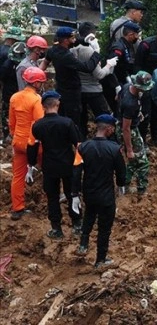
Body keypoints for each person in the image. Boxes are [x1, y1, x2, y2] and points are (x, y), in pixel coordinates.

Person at [27, 91, 83, 238]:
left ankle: (56, 229)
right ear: (57, 104)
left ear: (43, 107)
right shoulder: (67, 123)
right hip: (67, 164)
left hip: (49, 166)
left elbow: (32, 147)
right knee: (72, 194)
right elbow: (78, 144)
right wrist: (81, 164)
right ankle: (77, 224)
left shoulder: (38, 126)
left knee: (52, 197)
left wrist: (31, 165)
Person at [76, 114, 126, 270]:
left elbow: (76, 172)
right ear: (109, 129)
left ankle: (83, 244)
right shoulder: (114, 149)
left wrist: (74, 193)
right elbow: (121, 173)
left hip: (89, 193)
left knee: (89, 216)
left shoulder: (83, 147)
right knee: (104, 228)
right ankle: (100, 260)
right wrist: (121, 186)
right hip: (106, 196)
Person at [43, 27, 103, 131]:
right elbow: (87, 67)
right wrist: (96, 52)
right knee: (74, 121)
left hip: (60, 89)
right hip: (72, 94)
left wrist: (84, 40)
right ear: (66, 41)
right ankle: (76, 142)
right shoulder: (66, 56)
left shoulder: (53, 50)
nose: (74, 40)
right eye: (72, 38)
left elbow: (45, 62)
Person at [8, 67, 46, 220]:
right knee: (49, 170)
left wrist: (15, 137)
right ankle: (52, 199)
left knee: (17, 176)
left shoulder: (14, 97)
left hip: (18, 141)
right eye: (41, 82)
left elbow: (12, 123)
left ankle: (17, 208)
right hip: (34, 143)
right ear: (36, 83)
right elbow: (40, 123)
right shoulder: (36, 100)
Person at [72, 22, 116, 138]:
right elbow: (99, 75)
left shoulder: (73, 50)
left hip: (79, 90)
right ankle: (110, 142)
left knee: (81, 119)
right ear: (92, 35)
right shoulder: (90, 51)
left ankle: (81, 142)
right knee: (105, 117)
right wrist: (109, 65)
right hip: (93, 90)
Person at [116, 71, 154, 195]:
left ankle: (124, 186)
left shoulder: (126, 87)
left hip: (124, 125)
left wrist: (137, 115)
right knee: (142, 163)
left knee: (132, 162)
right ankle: (142, 190)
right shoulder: (130, 104)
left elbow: (116, 98)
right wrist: (130, 149)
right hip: (129, 131)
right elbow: (126, 128)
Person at [1, 42, 24, 141]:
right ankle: (7, 134)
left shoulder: (21, 64)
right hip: (10, 93)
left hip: (16, 92)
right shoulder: (7, 65)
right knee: (7, 114)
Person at [110, 21, 141, 87]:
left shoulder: (127, 45)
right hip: (118, 83)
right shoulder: (119, 48)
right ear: (130, 35)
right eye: (137, 35)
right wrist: (117, 86)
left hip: (125, 80)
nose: (138, 37)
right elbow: (111, 68)